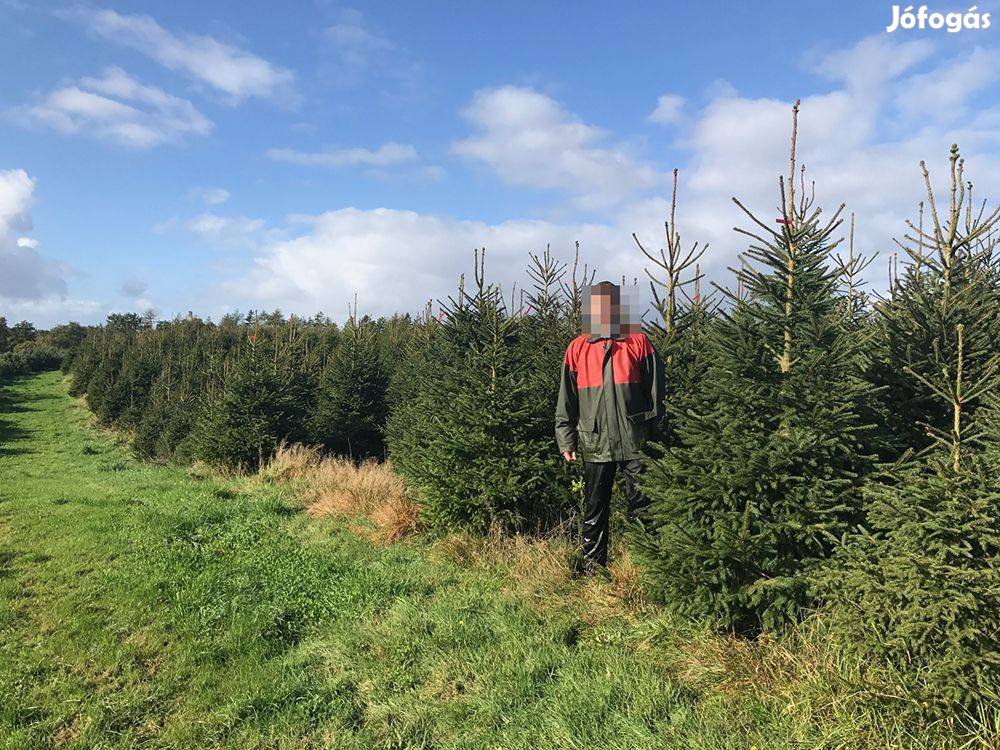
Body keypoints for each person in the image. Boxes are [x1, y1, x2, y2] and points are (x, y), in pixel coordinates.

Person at [554, 281, 665, 575]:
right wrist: (566, 439)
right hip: (594, 440)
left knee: (642, 504)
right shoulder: (577, 348)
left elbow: (656, 394)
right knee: (594, 507)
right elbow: (567, 399)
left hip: (635, 440)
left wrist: (655, 436)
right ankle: (593, 569)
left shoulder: (638, 342)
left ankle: (647, 567)